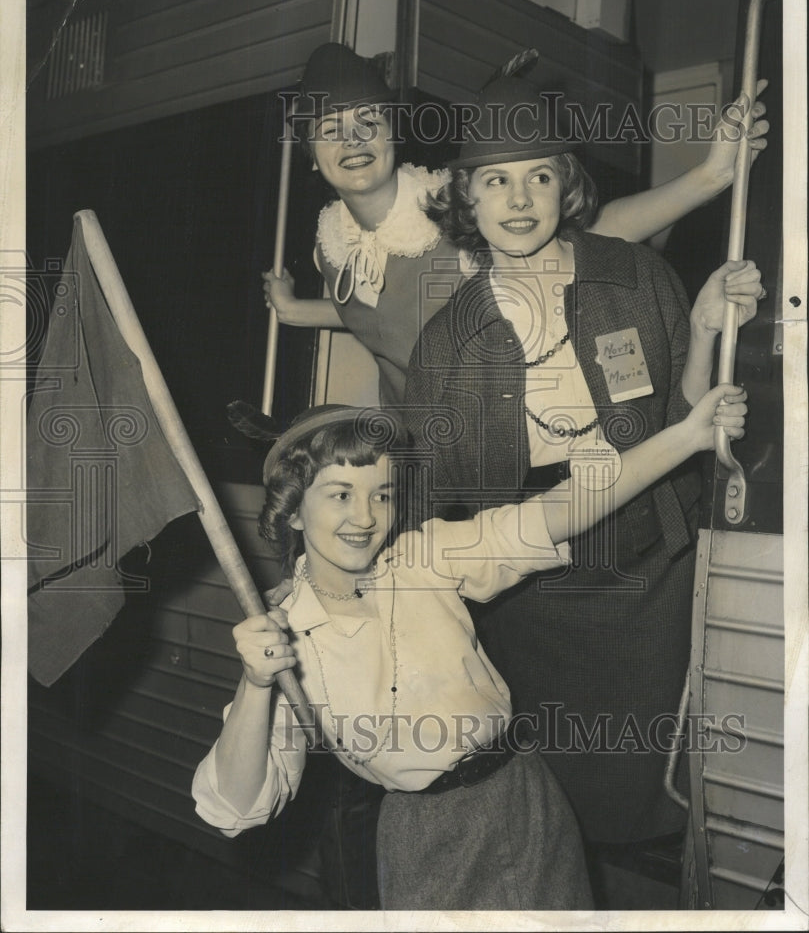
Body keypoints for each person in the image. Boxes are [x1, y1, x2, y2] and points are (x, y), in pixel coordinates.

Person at [193, 390, 747, 910]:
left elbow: (558, 509)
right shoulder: (283, 637)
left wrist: (688, 436)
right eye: (340, 494)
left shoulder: (424, 557)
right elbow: (235, 808)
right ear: (292, 510)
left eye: (381, 494)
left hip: (524, 797)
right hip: (425, 837)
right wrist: (256, 684)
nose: (365, 517)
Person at [403, 76, 765, 862]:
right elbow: (439, 504)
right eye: (494, 179)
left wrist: (703, 325)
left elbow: (688, 416)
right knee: (557, 794)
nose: (519, 198)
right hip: (534, 591)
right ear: (466, 194)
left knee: (667, 774)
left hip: (651, 567)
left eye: (539, 174)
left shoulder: (631, 274)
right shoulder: (448, 340)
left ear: (567, 183)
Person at [264, 42, 768, 406]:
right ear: (311, 155)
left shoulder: (457, 206)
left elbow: (595, 231)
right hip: (412, 455)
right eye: (331, 130)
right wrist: (293, 311)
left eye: (368, 122)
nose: (352, 141)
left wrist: (710, 177)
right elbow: (377, 312)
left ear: (394, 133)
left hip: (501, 446)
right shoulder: (333, 243)